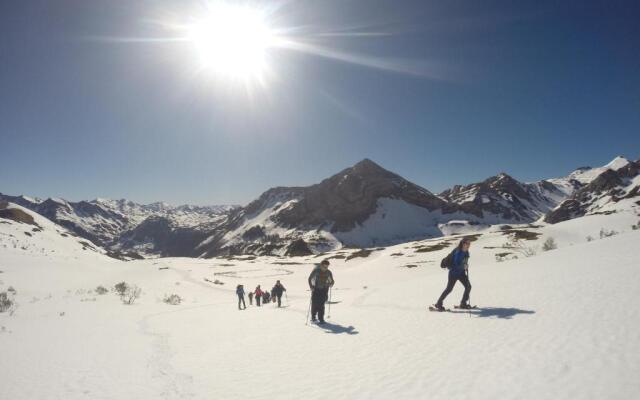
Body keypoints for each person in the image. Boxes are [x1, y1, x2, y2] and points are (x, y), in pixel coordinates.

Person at [434, 238, 472, 310]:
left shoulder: (466, 252)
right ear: (463, 244)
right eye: (467, 243)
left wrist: (465, 266)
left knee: (468, 286)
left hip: (461, 273)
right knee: (449, 289)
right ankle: (438, 303)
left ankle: (463, 303)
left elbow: (464, 261)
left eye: (469, 243)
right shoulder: (458, 252)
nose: (468, 245)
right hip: (453, 274)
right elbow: (455, 264)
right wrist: (463, 266)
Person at [308, 259, 335, 324]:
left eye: (327, 267)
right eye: (324, 267)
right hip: (316, 289)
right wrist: (311, 286)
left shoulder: (329, 272)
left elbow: (332, 280)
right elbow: (309, 278)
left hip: (324, 289)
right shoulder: (316, 271)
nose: (325, 268)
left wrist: (331, 284)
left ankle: (321, 318)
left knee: (322, 305)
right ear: (321, 265)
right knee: (315, 303)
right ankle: (313, 317)